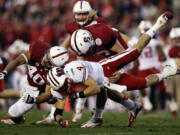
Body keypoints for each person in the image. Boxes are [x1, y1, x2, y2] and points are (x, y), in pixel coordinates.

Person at [22, 11, 177, 128]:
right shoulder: (57, 80)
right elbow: (50, 96)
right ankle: (164, 74)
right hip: (101, 72)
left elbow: (95, 87)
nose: (65, 89)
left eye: (64, 86)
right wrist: (34, 100)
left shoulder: (77, 67)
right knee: (141, 84)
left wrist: (77, 94)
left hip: (106, 66)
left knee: (134, 53)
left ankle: (157, 24)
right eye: (62, 88)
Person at [68, 11, 174, 128]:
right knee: (111, 85)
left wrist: (121, 71)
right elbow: (82, 64)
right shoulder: (77, 42)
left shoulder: (103, 34)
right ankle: (129, 107)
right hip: (102, 65)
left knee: (135, 52)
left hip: (115, 56)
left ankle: (157, 25)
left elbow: (125, 55)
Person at [38, 0, 130, 124]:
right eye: (78, 14)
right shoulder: (73, 26)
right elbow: (67, 43)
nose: (81, 17)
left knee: (101, 88)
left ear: (90, 13)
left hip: (103, 59)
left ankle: (89, 111)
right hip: (86, 60)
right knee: (63, 81)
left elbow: (118, 37)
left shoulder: (100, 25)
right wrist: (54, 55)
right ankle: (56, 114)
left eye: (84, 13)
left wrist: (121, 67)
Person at [0, 40, 69, 125]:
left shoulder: (55, 73)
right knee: (12, 112)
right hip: (29, 81)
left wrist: (33, 100)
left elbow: (47, 95)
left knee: (57, 93)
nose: (46, 60)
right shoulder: (39, 49)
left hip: (37, 91)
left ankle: (52, 117)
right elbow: (17, 61)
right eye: (48, 57)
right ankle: (20, 116)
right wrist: (4, 72)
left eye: (50, 62)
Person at [129, 20, 167, 114]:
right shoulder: (154, 40)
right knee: (142, 86)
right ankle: (147, 105)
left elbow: (163, 56)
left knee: (160, 88)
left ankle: (167, 105)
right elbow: (163, 56)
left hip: (151, 66)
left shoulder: (137, 40)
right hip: (148, 66)